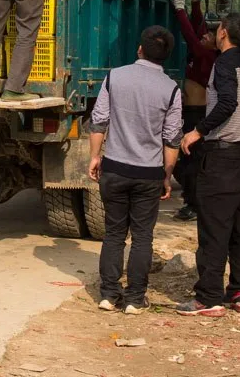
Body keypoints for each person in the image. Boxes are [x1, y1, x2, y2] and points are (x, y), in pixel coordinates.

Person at [175, 12, 240, 316]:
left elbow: (227, 102)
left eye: (217, 29)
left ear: (224, 33)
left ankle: (208, 297)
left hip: (223, 158)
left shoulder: (223, 64)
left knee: (214, 229)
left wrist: (197, 131)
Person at [88, 25, 182, 314]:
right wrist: (167, 175)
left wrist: (95, 157)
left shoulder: (114, 77)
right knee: (142, 237)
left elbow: (99, 120)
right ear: (166, 56)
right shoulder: (171, 89)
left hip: (115, 168)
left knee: (114, 233)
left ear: (140, 49)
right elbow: (172, 138)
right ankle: (134, 299)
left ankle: (108, 295)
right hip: (148, 173)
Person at [168, 0, 218, 221]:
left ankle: (194, 204)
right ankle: (193, 201)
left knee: (192, 161)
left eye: (209, 35)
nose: (205, 35)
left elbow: (191, 36)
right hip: (190, 112)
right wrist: (196, 4)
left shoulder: (207, 56)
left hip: (197, 113)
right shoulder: (204, 52)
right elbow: (198, 31)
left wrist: (180, 10)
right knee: (188, 160)